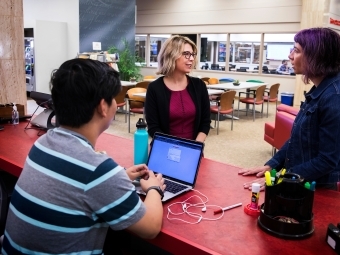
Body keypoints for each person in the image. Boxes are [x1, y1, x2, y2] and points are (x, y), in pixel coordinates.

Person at [2, 59, 165, 254]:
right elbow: (151, 228)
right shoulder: (98, 170)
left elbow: (75, 182)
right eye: (114, 98)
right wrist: (154, 188)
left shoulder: (43, 143)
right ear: (103, 106)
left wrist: (119, 177)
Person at [239, 27, 340, 191]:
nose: (290, 55)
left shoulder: (334, 97)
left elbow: (328, 160)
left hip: (316, 188)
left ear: (316, 56)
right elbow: (297, 140)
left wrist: (280, 178)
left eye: (297, 50)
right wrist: (272, 165)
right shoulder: (318, 90)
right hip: (298, 181)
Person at [145, 35, 211, 142]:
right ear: (172, 55)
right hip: (165, 147)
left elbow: (205, 122)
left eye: (193, 54)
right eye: (186, 54)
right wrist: (174, 147)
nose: (192, 59)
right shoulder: (154, 88)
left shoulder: (199, 85)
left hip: (193, 148)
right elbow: (153, 127)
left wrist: (195, 146)